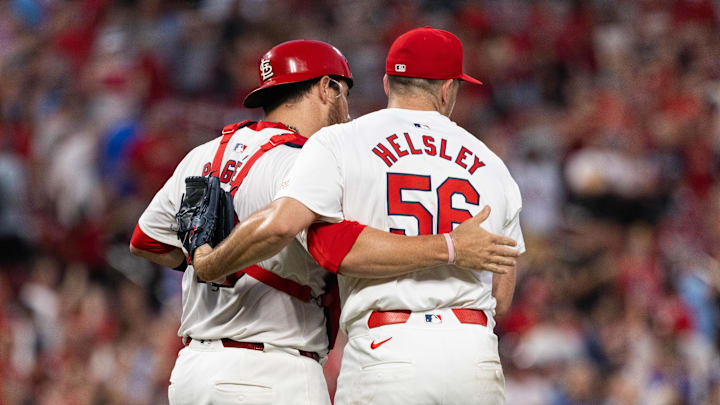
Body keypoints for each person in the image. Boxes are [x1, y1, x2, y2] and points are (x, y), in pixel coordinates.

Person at [130, 39, 519, 405]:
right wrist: (448, 246)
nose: (347, 110)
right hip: (276, 369)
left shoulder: (203, 156)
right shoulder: (313, 160)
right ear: (326, 88)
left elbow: (147, 242)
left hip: (194, 370)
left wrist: (208, 254)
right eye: (345, 94)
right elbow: (334, 245)